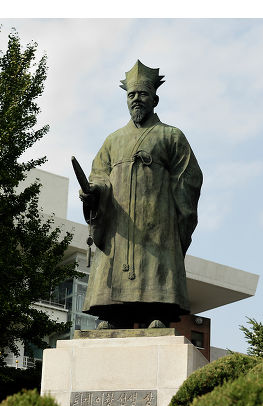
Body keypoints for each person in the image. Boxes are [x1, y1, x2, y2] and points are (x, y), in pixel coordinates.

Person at [79, 60, 203, 329]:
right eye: (131, 95)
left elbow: (188, 178)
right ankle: (114, 315)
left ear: (155, 99)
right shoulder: (113, 140)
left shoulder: (171, 136)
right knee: (114, 262)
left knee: (155, 266)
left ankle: (155, 311)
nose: (136, 99)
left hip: (157, 222)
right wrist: (94, 193)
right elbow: (99, 175)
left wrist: (177, 218)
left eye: (142, 94)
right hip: (118, 223)